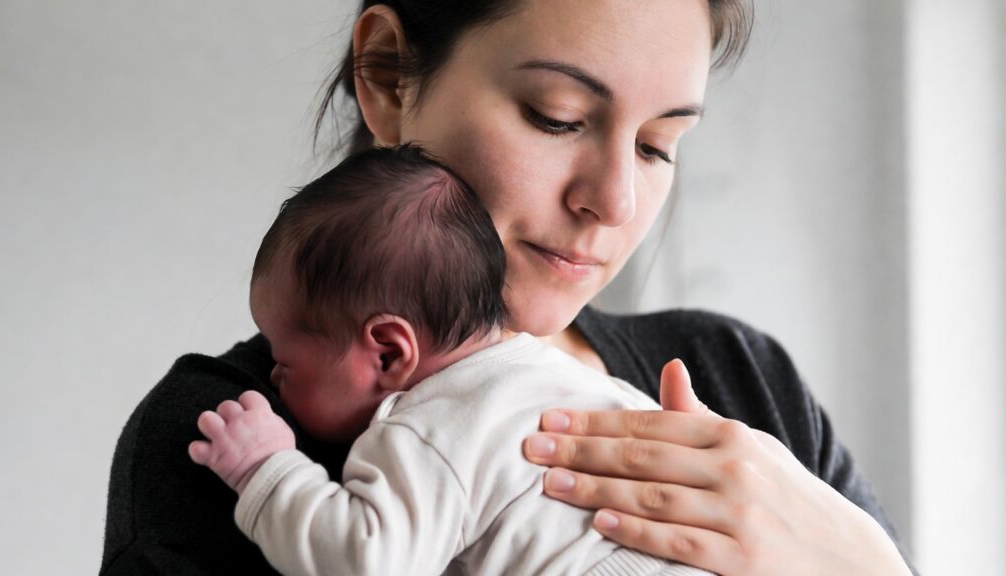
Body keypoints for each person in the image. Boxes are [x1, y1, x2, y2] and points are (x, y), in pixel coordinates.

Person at [100, 1, 918, 575]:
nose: (615, 201)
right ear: (387, 77)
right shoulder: (229, 437)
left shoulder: (739, 380)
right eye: (558, 116)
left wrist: (861, 562)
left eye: (660, 145)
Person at [188, 143, 713, 575]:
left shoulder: (427, 431)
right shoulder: (575, 382)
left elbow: (367, 562)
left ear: (390, 353)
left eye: (285, 362)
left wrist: (266, 470)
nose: (274, 379)